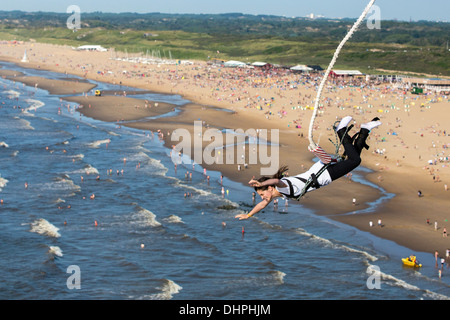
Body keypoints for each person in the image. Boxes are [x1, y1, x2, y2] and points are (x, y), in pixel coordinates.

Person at [235, 116, 382, 220]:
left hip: (323, 174)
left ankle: (341, 130)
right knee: (352, 157)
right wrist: (249, 215)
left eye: (263, 194)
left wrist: (261, 184)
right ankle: (365, 130)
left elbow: (275, 180)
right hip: (321, 173)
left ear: (269, 188)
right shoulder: (278, 194)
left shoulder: (282, 187)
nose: (263, 198)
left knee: (355, 160)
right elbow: (261, 205)